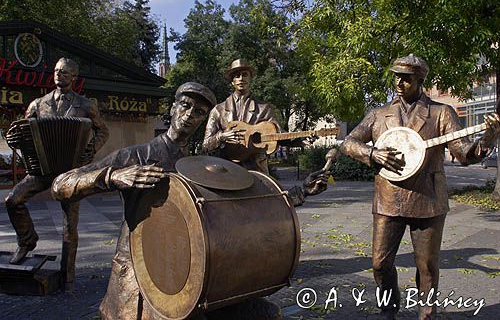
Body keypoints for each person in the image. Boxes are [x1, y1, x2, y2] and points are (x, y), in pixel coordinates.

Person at [52, 82, 329, 319]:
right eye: (184, 106)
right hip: (145, 273)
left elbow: (252, 202)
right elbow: (60, 185)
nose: (189, 115)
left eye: (198, 112)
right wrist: (114, 176)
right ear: (172, 109)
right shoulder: (138, 155)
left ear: (202, 121)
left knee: (266, 313)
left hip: (197, 274)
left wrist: (301, 191)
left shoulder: (206, 165)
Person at [340, 54, 500, 320]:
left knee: (426, 266)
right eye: (396, 76)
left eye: (406, 78)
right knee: (380, 263)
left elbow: (464, 154)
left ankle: (427, 314)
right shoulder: (379, 115)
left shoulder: (441, 113)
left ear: (420, 80)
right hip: (388, 198)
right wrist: (372, 154)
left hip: (427, 199)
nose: (399, 82)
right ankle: (388, 309)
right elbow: (348, 142)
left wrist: (489, 136)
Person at [4, 57, 109, 289]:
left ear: (74, 77)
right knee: (13, 200)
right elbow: (22, 133)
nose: (59, 75)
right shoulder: (37, 104)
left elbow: (103, 131)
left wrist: (91, 149)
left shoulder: (85, 105)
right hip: (43, 169)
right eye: (56, 71)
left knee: (69, 225)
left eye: (64, 72)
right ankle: (27, 241)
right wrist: (13, 139)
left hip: (71, 172)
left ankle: (68, 276)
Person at [202, 59, 281, 174]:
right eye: (237, 75)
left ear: (250, 79)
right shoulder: (218, 110)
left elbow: (278, 134)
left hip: (256, 169)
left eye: (245, 75)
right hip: (226, 169)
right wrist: (221, 137)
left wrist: (299, 140)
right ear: (232, 81)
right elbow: (205, 145)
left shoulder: (264, 108)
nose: (241, 79)